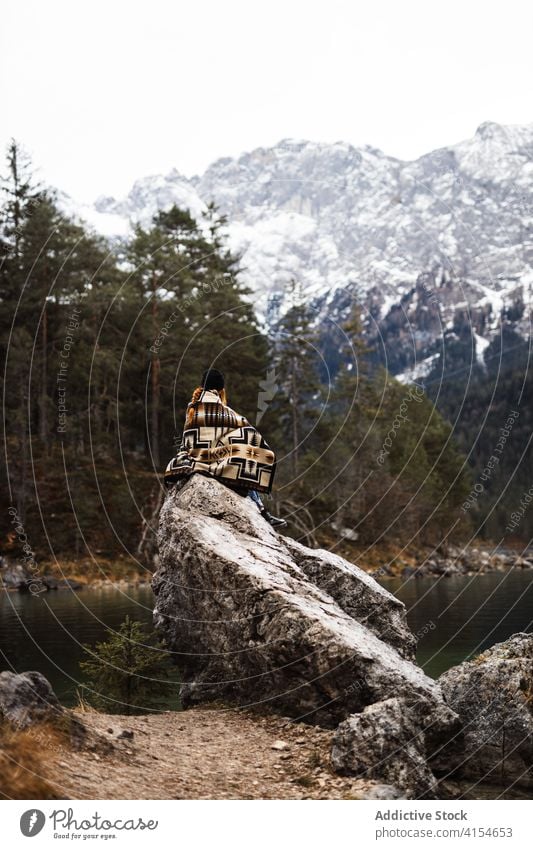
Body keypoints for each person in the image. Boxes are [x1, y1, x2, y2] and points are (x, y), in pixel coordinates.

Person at [164, 368, 287, 528]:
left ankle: (262, 511)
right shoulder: (219, 409)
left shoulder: (193, 407)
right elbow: (245, 426)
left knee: (237, 453)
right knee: (246, 451)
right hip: (209, 460)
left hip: (194, 457)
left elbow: (191, 439)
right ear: (221, 389)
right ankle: (262, 511)